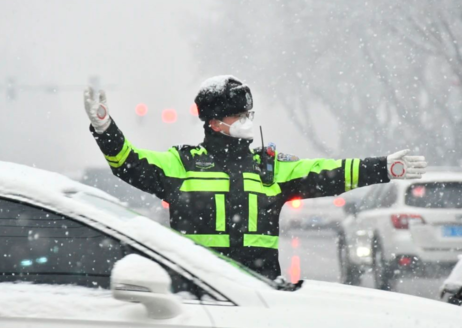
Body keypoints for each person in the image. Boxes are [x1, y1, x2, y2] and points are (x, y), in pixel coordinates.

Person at [84, 75, 427, 279]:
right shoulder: (182, 164)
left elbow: (330, 173)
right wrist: (104, 128)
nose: (247, 120)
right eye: (239, 114)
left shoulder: (270, 167)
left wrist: (383, 168)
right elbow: (128, 162)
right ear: (214, 121)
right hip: (202, 296)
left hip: (261, 295)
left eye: (249, 113)